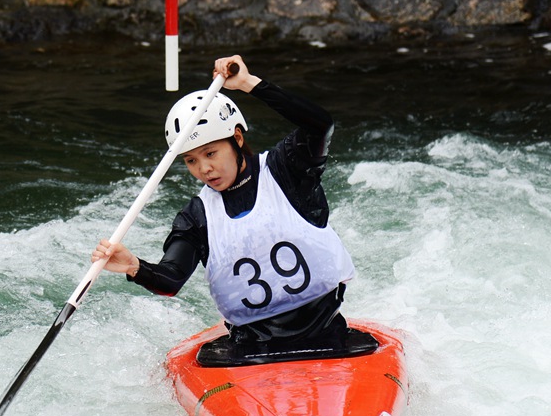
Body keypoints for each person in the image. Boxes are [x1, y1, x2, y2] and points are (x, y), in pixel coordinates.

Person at [91, 54, 377, 367]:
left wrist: (249, 84)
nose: (204, 168)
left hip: (328, 338)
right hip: (249, 352)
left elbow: (320, 124)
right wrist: (134, 266)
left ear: (237, 138)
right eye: (191, 160)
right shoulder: (196, 216)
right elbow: (171, 279)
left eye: (210, 152)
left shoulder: (286, 171)